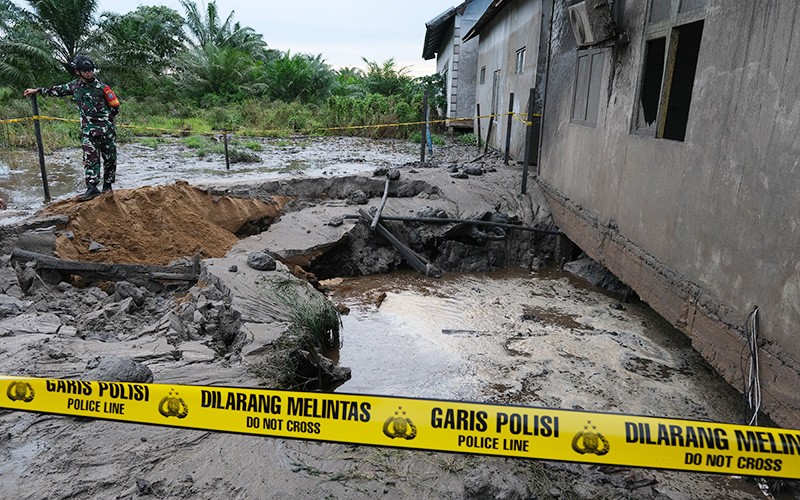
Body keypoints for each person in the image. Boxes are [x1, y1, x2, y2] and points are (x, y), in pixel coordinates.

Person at [24, 55, 120, 201]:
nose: (88, 73)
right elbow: (56, 90)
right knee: (90, 159)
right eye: (85, 70)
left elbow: (115, 107)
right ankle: (92, 188)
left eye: (90, 70)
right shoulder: (74, 86)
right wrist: (37, 90)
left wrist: (105, 120)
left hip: (106, 130)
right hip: (88, 132)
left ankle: (107, 186)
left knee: (110, 158)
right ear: (78, 72)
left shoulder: (103, 88)